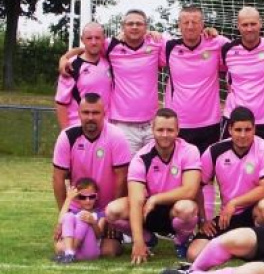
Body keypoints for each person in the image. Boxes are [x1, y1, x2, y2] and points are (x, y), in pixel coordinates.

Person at [105, 108, 201, 264]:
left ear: (178, 131)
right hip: (148, 211)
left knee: (187, 208)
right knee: (112, 211)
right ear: (152, 130)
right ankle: (147, 239)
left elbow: (190, 191)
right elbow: (136, 201)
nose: (165, 134)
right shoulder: (141, 158)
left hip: (175, 209)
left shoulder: (189, 151)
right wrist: (138, 241)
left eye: (170, 130)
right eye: (160, 130)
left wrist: (155, 199)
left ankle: (181, 241)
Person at [59, 9, 163, 153]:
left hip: (152, 122)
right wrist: (64, 58)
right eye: (130, 23)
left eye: (139, 24)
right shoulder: (111, 46)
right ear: (122, 27)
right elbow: (88, 48)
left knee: (152, 165)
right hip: (122, 124)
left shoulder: (157, 43)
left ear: (146, 27)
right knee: (124, 166)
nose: (134, 27)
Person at [188, 106, 264, 262]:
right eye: (238, 130)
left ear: (254, 129)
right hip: (228, 217)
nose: (243, 135)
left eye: (248, 129)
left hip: (255, 212)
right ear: (230, 130)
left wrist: (235, 202)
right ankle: (240, 247)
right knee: (194, 254)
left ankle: (262, 244)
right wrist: (203, 219)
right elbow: (197, 186)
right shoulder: (215, 151)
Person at [52, 93, 130, 257]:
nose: (90, 117)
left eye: (95, 113)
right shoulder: (67, 137)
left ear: (104, 113)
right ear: (79, 113)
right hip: (77, 208)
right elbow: (58, 178)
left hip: (105, 210)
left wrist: (111, 217)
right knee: (60, 249)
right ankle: (73, 248)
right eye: (86, 112)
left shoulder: (116, 136)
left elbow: (122, 178)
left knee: (109, 251)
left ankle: (110, 237)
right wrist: (64, 215)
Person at [161, 5, 231, 154]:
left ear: (202, 24)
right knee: (179, 167)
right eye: (186, 22)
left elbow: (242, 52)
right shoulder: (168, 47)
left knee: (207, 167)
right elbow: (142, 43)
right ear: (179, 25)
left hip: (210, 123)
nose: (190, 26)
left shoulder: (217, 43)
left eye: (195, 22)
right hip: (178, 123)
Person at [221, 6, 264, 147]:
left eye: (253, 24)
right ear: (238, 26)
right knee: (227, 159)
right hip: (235, 119)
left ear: (260, 23)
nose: (249, 28)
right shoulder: (228, 49)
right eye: (245, 25)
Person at [54, 22, 113, 129]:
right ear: (82, 40)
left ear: (103, 39)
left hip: (105, 128)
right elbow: (61, 103)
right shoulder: (71, 66)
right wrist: (66, 133)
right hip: (79, 128)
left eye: (97, 38)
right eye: (89, 38)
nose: (94, 42)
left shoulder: (109, 61)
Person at [53, 177, 105, 264]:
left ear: (96, 196)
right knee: (68, 216)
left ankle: (69, 252)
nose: (88, 201)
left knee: (83, 216)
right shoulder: (73, 213)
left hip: (90, 252)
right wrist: (68, 199)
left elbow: (99, 235)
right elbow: (61, 220)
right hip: (78, 253)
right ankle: (69, 253)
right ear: (77, 198)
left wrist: (93, 223)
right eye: (83, 197)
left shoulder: (100, 214)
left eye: (91, 196)